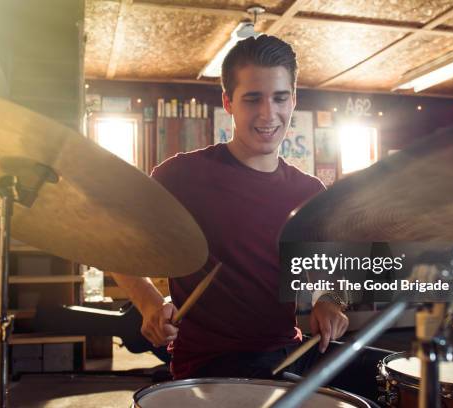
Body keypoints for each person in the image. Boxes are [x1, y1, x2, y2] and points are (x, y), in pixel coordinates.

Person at [112, 35, 348, 380]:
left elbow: (331, 273)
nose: (269, 113)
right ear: (228, 101)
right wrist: (147, 299)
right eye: (253, 99)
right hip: (210, 364)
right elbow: (113, 235)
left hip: (288, 353)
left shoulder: (310, 192)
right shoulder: (181, 175)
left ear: (293, 100)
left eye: (280, 98)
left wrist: (332, 300)